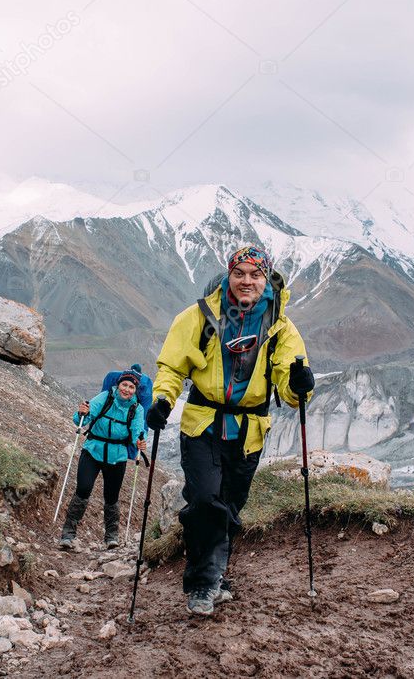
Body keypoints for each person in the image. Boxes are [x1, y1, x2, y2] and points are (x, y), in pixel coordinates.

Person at [146, 244, 315, 616]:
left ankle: (215, 575)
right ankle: (203, 585)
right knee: (205, 500)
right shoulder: (199, 316)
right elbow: (173, 366)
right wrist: (162, 400)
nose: (246, 281)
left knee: (231, 506)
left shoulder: (280, 326)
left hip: (250, 429)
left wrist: (300, 384)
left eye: (255, 275)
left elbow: (288, 382)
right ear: (228, 275)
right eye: (239, 273)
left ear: (266, 278)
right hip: (202, 422)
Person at [59, 369, 148, 550]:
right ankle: (68, 534)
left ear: (135, 390)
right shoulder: (105, 397)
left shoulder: (136, 408)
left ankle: (111, 537)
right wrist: (81, 412)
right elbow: (83, 419)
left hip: (117, 456)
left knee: (111, 496)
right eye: (124, 385)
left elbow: (137, 430)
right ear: (118, 385)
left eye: (131, 387)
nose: (127, 390)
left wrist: (140, 439)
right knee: (83, 489)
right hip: (93, 450)